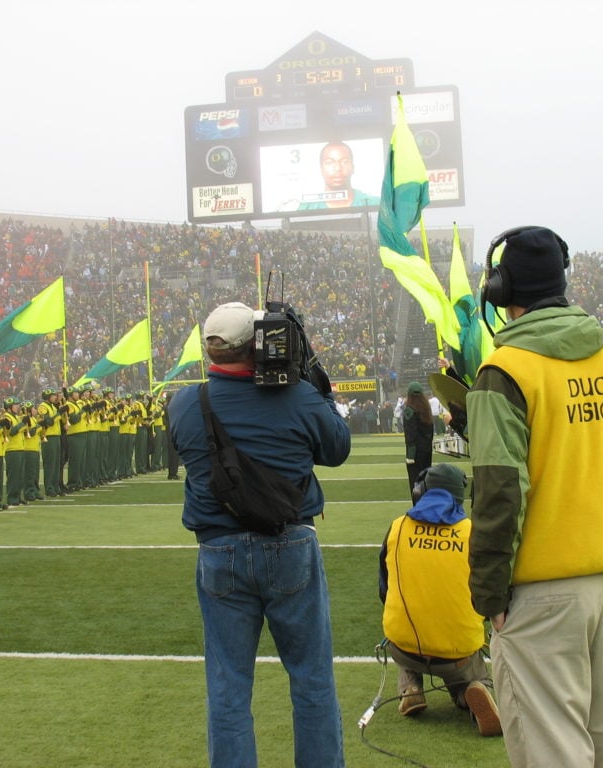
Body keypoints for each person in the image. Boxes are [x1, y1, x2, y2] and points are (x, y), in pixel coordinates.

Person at [467, 225, 603, 767]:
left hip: (541, 593)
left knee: (553, 749)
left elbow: (499, 493)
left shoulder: (506, 370)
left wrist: (488, 593)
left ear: (501, 290)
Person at [168, 301, 350, 767]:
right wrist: (313, 381)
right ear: (259, 343)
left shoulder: (186, 402)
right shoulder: (298, 397)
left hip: (219, 551)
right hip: (289, 543)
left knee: (228, 686)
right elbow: (337, 448)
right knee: (311, 681)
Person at [378, 463, 501, 736]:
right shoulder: (473, 533)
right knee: (472, 667)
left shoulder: (397, 527)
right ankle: (469, 691)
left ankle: (410, 686)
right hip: (457, 656)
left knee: (400, 623)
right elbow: (488, 594)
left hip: (404, 647)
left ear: (420, 491)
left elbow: (384, 591)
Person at [297, 141, 380, 210]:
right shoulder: (307, 208)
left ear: (353, 168)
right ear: (321, 169)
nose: (338, 168)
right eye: (330, 162)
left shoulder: (376, 204)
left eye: (344, 162)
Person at [402, 382, 433, 501]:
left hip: (415, 453)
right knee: (426, 481)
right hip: (427, 450)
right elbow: (430, 431)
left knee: (415, 483)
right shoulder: (427, 409)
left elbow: (411, 435)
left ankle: (418, 510)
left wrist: (410, 456)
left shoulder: (409, 410)